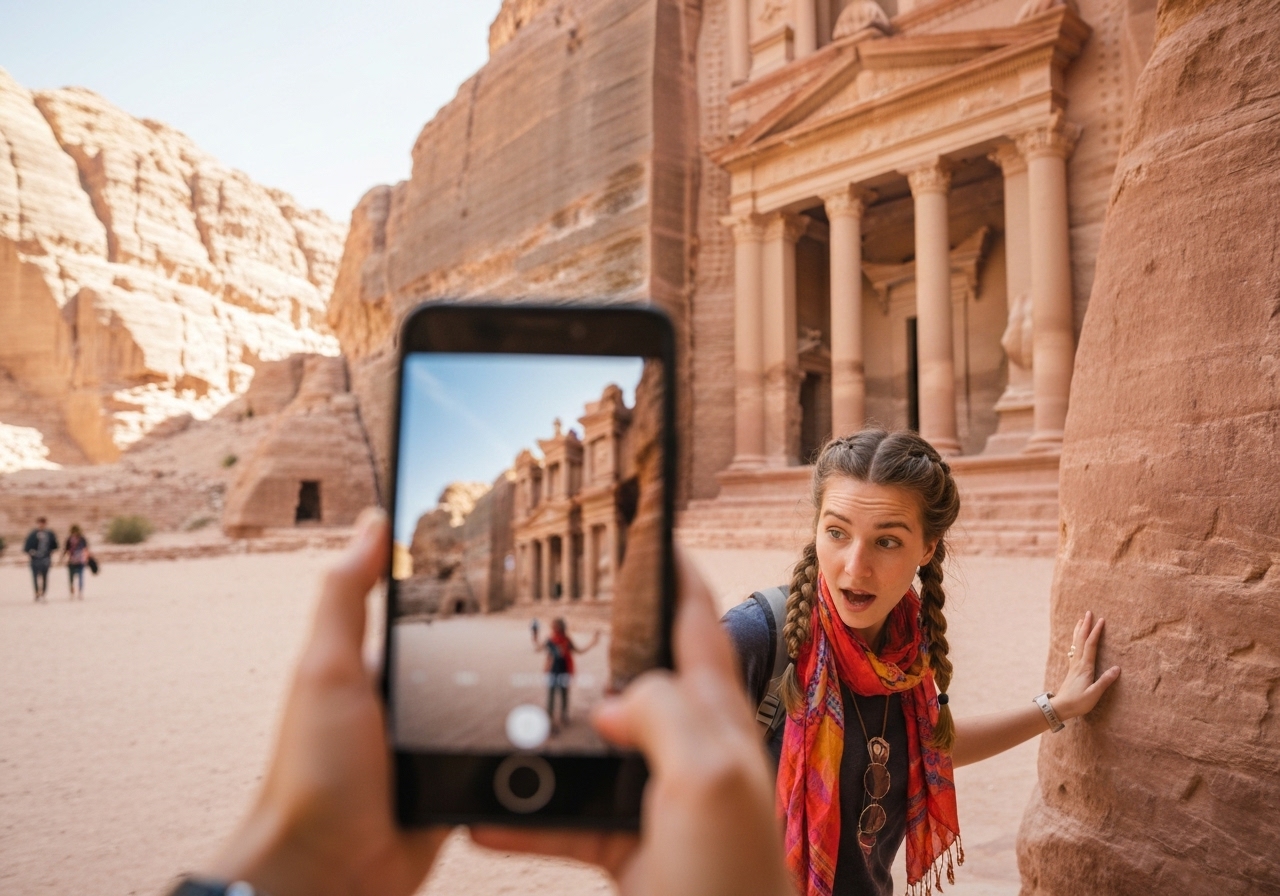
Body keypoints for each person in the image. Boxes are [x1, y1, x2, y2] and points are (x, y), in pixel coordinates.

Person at [168, 509, 792, 896]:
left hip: (557, 668)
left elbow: (576, 639)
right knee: (556, 697)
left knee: (555, 694)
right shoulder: (550, 633)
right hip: (557, 671)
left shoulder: (557, 634)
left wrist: (308, 870)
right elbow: (567, 640)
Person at [722, 429, 1121, 896]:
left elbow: (926, 747)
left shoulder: (906, 651)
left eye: (886, 541)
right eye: (836, 532)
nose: (855, 566)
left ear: (928, 548)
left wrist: (1057, 707)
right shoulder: (756, 639)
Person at [534, 617, 601, 731]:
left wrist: (593, 642)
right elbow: (539, 648)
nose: (553, 628)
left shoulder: (561, 640)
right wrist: (535, 636)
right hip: (556, 671)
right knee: (555, 696)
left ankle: (558, 717)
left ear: (558, 628)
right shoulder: (554, 640)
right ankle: (556, 717)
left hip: (559, 671)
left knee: (558, 695)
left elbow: (539, 648)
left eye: (554, 626)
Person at [23, 517, 58, 603]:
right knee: (35, 576)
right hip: (35, 558)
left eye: (43, 523)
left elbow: (55, 545)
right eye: (40, 523)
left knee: (45, 577)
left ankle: (43, 592)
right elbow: (27, 546)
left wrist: (50, 552)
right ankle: (36, 592)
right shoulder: (33, 534)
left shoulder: (49, 534)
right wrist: (31, 552)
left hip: (45, 558)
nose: (41, 525)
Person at [63, 524, 90, 600]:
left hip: (75, 560)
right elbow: (86, 549)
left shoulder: (71, 539)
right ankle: (77, 592)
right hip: (77, 560)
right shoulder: (81, 539)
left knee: (75, 578)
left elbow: (66, 550)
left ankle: (77, 592)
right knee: (76, 578)